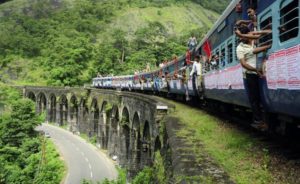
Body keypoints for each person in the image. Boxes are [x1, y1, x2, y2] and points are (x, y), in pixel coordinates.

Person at [236, 25, 271, 131]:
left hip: (258, 73)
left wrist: (257, 32)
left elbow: (268, 32)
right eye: (241, 37)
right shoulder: (240, 48)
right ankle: (258, 121)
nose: (242, 38)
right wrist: (255, 70)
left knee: (261, 97)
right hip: (249, 74)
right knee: (254, 99)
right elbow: (243, 64)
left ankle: (263, 121)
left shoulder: (251, 40)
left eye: (244, 36)